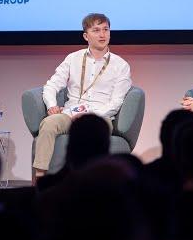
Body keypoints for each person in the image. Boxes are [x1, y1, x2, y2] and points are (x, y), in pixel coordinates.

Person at [32, 13, 132, 180]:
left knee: (90, 128)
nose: (102, 34)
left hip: (100, 117)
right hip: (70, 113)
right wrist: (51, 105)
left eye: (106, 30)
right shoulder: (73, 59)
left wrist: (90, 115)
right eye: (96, 30)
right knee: (49, 123)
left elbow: (116, 102)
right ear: (86, 36)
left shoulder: (120, 65)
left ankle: (88, 181)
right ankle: (40, 179)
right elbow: (51, 85)